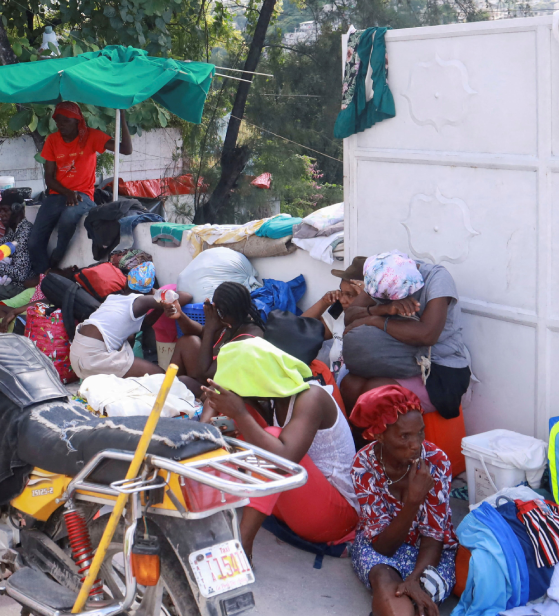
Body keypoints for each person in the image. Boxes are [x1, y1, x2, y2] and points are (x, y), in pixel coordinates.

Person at [201, 336, 357, 558]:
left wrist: (240, 413)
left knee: (269, 436)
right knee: (239, 427)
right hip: (296, 505)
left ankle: (243, 544)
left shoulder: (312, 397)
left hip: (334, 515)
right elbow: (211, 410)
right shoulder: (273, 398)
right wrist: (220, 414)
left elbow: (284, 459)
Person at [348, 386, 458, 616]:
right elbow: (382, 546)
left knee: (420, 598)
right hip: (379, 547)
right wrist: (413, 500)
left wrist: (414, 580)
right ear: (379, 435)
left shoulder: (436, 462)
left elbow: (434, 538)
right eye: (404, 436)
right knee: (384, 580)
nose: (416, 444)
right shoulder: (364, 465)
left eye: (420, 432)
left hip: (430, 553)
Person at [339, 251, 470, 421]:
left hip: (438, 370)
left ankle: (386, 445)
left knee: (378, 392)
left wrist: (376, 321)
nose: (384, 300)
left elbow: (427, 336)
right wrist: (383, 310)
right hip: (400, 359)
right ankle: (363, 445)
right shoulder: (384, 274)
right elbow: (350, 316)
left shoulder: (437, 279)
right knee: (349, 385)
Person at [28, 101, 130, 277]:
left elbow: (127, 149)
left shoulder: (91, 136)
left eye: (66, 121)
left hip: (83, 195)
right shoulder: (52, 140)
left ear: (77, 121)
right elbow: (49, 178)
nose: (61, 125)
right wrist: (68, 192)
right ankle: (42, 275)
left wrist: (123, 119)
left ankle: (57, 256)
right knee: (34, 240)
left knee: (68, 217)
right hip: (57, 195)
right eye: (58, 121)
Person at [70, 262, 174, 380]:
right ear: (150, 291)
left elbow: (144, 325)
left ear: (125, 283)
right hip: (93, 358)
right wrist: (158, 294)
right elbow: (184, 296)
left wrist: (160, 308)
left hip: (77, 354)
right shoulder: (139, 301)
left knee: (130, 338)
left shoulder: (113, 298)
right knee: (161, 377)